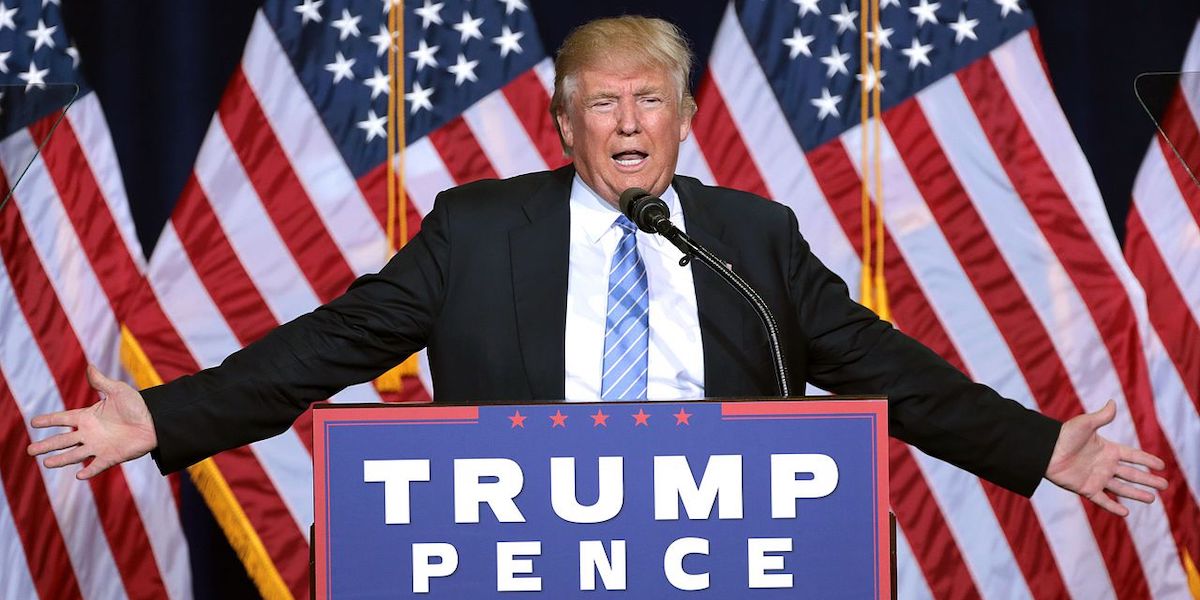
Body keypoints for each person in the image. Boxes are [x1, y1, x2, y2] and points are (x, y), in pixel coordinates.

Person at [29, 16, 1165, 516]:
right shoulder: (477, 230)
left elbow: (882, 367)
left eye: (649, 100)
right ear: (561, 124)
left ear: (680, 117)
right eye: (602, 104)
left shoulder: (750, 235)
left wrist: (1038, 445)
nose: (628, 123)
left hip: (720, 552)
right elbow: (327, 348)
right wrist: (167, 419)